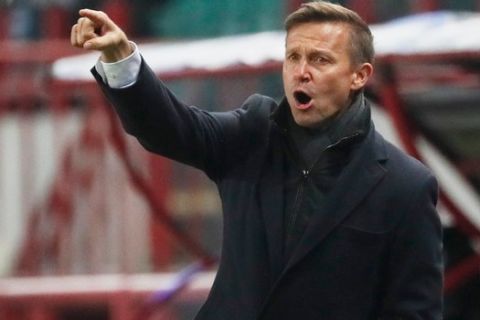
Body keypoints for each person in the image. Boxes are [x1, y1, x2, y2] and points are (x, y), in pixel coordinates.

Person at [71, 1, 443, 319]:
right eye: (293, 57)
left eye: (320, 59)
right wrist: (121, 58)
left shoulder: (405, 185)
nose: (302, 71)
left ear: (359, 76)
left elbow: (413, 311)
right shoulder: (251, 134)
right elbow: (170, 128)